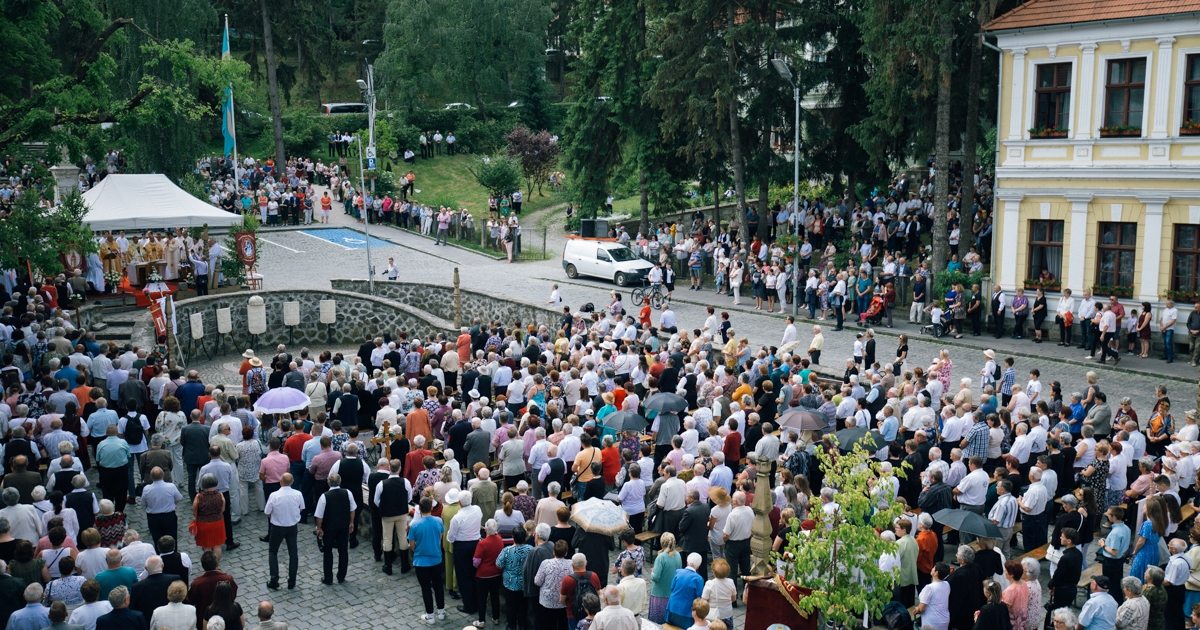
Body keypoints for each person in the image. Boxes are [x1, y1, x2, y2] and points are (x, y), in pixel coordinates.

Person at [408, 497, 447, 624]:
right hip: (436, 558)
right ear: (431, 507)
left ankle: (430, 615)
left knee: (426, 588)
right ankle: (441, 611)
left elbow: (412, 545)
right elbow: (440, 537)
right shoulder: (438, 521)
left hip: (421, 561)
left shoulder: (415, 525)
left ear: (419, 508)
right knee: (438, 586)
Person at [262, 473, 303, 590]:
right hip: (292, 526)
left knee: (273, 551)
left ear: (280, 481)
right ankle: (292, 581)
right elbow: (301, 508)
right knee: (293, 553)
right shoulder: (298, 494)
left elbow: (267, 512)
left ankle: (274, 579)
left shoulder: (274, 495)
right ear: (292, 481)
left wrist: (276, 518)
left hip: (277, 527)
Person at [313, 473, 355, 585]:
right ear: (340, 481)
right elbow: (352, 509)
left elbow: (319, 515)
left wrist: (319, 528)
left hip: (329, 528)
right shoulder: (347, 493)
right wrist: (351, 522)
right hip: (343, 526)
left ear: (328, 483)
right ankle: (341, 576)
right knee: (343, 551)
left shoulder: (324, 496)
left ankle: (328, 578)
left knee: (328, 552)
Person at [647, 533, 680, 624]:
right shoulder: (678, 555)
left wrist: (652, 572)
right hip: (670, 593)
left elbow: (656, 577)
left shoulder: (661, 557)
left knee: (656, 622)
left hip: (659, 594)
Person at [191, 475, 225, 562]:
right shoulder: (220, 495)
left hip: (203, 524)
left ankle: (209, 565)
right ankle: (216, 565)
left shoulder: (199, 496)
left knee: (207, 547)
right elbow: (222, 509)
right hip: (218, 522)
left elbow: (194, 510)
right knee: (217, 546)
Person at [915, 562, 951, 630]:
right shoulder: (946, 584)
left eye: (933, 568)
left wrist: (917, 609)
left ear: (936, 573)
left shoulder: (929, 588)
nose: (932, 569)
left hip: (932, 621)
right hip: (944, 618)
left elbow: (921, 608)